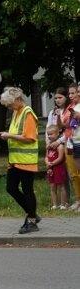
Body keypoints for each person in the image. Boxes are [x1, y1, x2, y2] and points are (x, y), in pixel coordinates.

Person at [0, 86, 40, 233]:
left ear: (18, 99)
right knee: (11, 188)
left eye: (9, 104)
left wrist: (9, 136)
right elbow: (15, 133)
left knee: (27, 190)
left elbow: (29, 138)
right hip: (15, 160)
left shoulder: (28, 113)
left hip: (26, 160)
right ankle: (32, 213)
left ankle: (32, 221)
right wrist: (2, 136)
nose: (8, 107)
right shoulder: (16, 112)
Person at [44, 124, 68, 209]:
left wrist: (52, 163)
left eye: (51, 134)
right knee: (52, 186)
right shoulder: (48, 146)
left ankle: (63, 204)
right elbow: (46, 156)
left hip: (58, 168)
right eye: (48, 134)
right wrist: (47, 163)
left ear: (57, 133)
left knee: (61, 186)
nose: (49, 136)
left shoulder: (59, 145)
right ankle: (54, 204)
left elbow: (61, 157)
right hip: (51, 168)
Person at [65, 83, 80, 211]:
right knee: (75, 173)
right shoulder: (72, 107)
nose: (71, 96)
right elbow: (65, 125)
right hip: (72, 141)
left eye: (73, 93)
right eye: (69, 93)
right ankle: (78, 200)